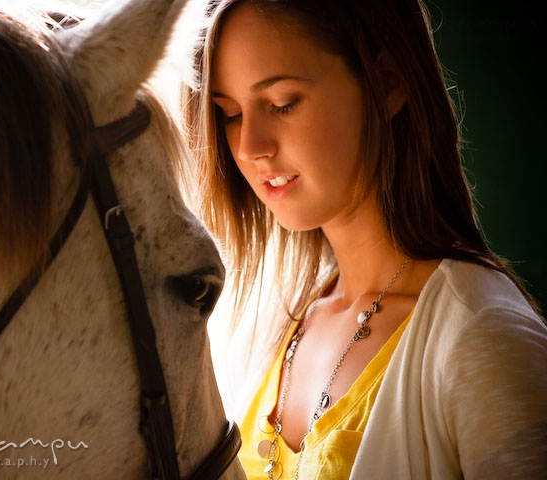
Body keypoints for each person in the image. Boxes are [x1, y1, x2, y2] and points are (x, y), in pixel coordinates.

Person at [183, 0, 547, 478]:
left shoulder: (482, 335)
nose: (250, 147)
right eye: (229, 114)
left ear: (388, 83)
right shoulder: (269, 325)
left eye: (282, 103)